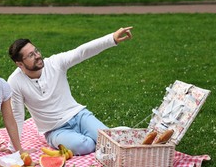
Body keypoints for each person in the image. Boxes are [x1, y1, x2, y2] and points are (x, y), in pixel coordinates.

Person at [7, 27, 133, 155]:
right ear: (20, 64)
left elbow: (81, 52)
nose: (38, 56)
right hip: (55, 130)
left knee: (109, 141)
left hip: (79, 116)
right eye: (31, 55)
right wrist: (14, 147)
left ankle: (106, 134)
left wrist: (111, 39)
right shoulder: (15, 82)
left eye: (36, 51)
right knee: (85, 146)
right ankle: (103, 135)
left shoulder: (55, 63)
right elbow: (17, 115)